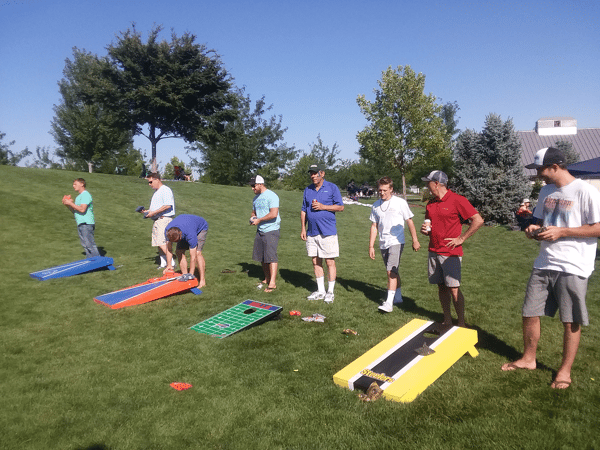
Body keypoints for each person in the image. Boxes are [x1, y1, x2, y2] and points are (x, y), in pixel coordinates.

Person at [501, 147, 600, 389]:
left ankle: (564, 371)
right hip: (544, 262)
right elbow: (538, 221)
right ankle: (528, 359)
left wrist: (563, 231)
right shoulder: (546, 191)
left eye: (540, 170)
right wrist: (532, 231)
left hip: (573, 265)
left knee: (570, 320)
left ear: (555, 166)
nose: (538, 175)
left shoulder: (586, 191)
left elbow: (598, 228)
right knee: (529, 312)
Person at [420, 170, 483, 327]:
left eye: (428, 183)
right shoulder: (430, 205)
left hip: (450, 253)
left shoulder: (457, 200)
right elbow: (430, 226)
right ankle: (447, 319)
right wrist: (425, 231)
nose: (427, 186)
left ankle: (461, 323)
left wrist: (461, 238)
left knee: (454, 289)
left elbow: (478, 220)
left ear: (436, 183)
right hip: (433, 251)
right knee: (441, 288)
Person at [369, 177, 421, 313]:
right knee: (393, 271)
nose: (382, 193)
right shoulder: (375, 205)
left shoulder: (400, 203)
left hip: (396, 241)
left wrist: (415, 240)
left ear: (391, 189)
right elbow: (374, 226)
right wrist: (371, 246)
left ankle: (388, 303)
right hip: (383, 242)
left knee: (390, 271)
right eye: (380, 190)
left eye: (385, 190)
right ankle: (398, 297)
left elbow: (409, 221)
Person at [300, 164, 344, 303]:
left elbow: (340, 207)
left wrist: (323, 207)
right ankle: (320, 290)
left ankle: (330, 292)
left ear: (322, 173)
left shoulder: (332, 187)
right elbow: (303, 210)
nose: (313, 176)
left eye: (315, 173)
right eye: (311, 173)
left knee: (329, 261)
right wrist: (303, 228)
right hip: (312, 232)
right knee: (315, 261)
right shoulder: (308, 189)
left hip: (327, 231)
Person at [249, 175, 281, 292]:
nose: (252, 188)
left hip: (271, 229)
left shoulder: (272, 196)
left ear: (260, 184)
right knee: (261, 257)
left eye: (253, 186)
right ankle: (267, 278)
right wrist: (253, 218)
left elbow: (273, 214)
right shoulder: (255, 198)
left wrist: (259, 220)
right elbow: (254, 212)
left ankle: (272, 283)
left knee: (271, 257)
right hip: (260, 230)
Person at [140, 172, 176, 269]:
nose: (150, 184)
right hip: (158, 219)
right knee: (158, 243)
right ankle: (163, 263)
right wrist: (147, 212)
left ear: (157, 179)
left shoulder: (165, 190)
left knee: (162, 242)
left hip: (164, 219)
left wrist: (153, 213)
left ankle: (171, 263)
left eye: (151, 182)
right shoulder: (157, 192)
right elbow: (156, 208)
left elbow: (168, 205)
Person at [164, 214, 209, 288]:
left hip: (201, 227)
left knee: (197, 253)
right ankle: (185, 276)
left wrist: (191, 274)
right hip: (185, 224)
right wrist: (169, 265)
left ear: (180, 235)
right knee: (179, 252)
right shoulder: (167, 231)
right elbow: (169, 249)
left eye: (177, 241)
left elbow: (193, 256)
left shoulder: (190, 234)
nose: (176, 242)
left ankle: (202, 281)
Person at [62, 178, 100, 258]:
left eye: (75, 184)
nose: (73, 186)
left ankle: (98, 261)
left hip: (86, 223)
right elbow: (75, 211)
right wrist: (68, 205)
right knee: (85, 245)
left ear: (82, 184)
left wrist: (70, 203)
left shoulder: (86, 195)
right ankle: (91, 261)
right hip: (81, 223)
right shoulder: (79, 197)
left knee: (89, 244)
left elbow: (82, 209)